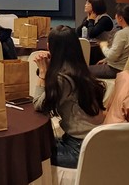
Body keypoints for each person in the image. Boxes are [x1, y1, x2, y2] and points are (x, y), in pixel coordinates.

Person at [33, 25, 106, 168]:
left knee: (30, 154)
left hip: (79, 150)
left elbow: (38, 105)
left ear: (49, 47)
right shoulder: (80, 71)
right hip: (91, 142)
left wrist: (43, 73)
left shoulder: (62, 79)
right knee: (41, 144)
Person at [89, 4, 129, 79]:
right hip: (127, 67)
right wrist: (106, 60)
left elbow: (112, 56)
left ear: (120, 18)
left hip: (116, 69)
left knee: (84, 70)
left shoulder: (122, 34)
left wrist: (103, 46)